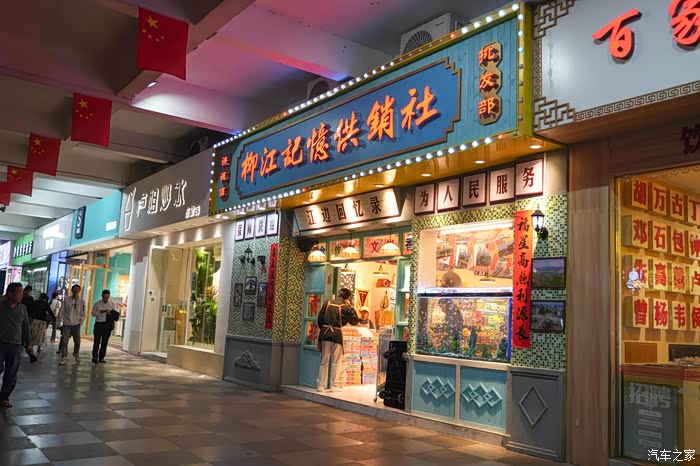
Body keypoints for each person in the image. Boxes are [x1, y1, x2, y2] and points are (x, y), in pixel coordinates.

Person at [316, 288, 358, 393]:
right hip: (337, 335)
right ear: (347, 297)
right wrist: (350, 307)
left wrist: (324, 329)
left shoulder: (327, 303)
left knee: (324, 361)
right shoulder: (345, 307)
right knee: (336, 361)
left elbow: (320, 319)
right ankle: (333, 386)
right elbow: (354, 321)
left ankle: (320, 385)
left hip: (325, 333)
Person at [0, 283, 33, 408]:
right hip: (1, 343)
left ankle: (4, 397)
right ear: (10, 293)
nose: (21, 295)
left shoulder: (22, 308)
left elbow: (26, 327)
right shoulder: (2, 306)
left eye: (22, 293)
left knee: (11, 372)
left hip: (15, 345)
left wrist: (29, 343)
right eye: (19, 292)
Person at [59, 285, 86, 366]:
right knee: (64, 341)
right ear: (72, 290)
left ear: (79, 291)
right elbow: (62, 311)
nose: (75, 291)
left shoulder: (82, 301)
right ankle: (64, 356)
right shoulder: (67, 300)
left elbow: (83, 313)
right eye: (74, 290)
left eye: (77, 290)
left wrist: (80, 321)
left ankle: (76, 353)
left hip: (76, 324)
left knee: (77, 341)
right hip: (67, 323)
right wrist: (60, 321)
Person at [91, 289, 118, 364]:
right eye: (104, 297)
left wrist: (110, 313)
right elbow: (93, 313)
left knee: (105, 342)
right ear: (102, 296)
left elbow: (115, 314)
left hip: (107, 325)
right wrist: (100, 312)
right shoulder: (97, 304)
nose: (106, 299)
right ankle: (94, 357)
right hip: (99, 324)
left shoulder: (112, 304)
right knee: (97, 341)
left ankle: (102, 357)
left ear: (109, 296)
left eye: (107, 297)